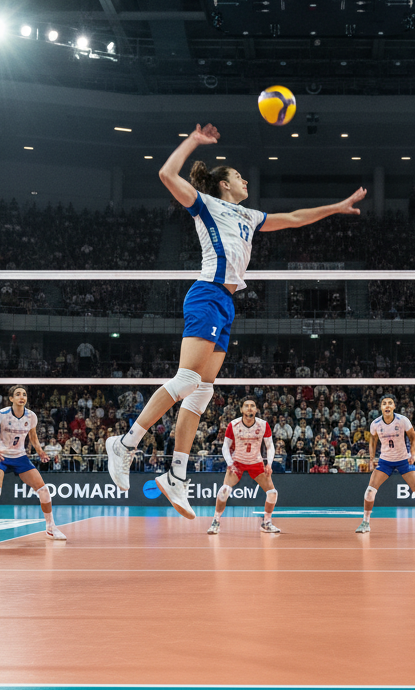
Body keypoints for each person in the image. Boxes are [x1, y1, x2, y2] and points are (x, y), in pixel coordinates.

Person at [106, 123, 365, 515]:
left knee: (202, 391)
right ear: (224, 184)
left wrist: (335, 207)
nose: (246, 180)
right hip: (207, 293)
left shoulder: (249, 215)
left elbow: (295, 217)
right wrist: (193, 141)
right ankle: (125, 444)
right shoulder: (206, 204)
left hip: (226, 302)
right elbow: (166, 174)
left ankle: (176, 476)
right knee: (186, 379)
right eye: (239, 176)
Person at [0, 384, 66, 544]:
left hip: (20, 456)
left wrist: (40, 452)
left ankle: (51, 527)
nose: (22, 397)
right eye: (18, 394)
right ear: (11, 398)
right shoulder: (1, 415)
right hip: (0, 455)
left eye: (24, 394)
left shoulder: (31, 416)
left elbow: (33, 437)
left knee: (44, 490)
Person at [356, 394, 415, 534]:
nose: (387, 405)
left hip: (403, 460)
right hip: (385, 461)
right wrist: (371, 459)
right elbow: (373, 441)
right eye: (384, 403)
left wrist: (413, 454)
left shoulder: (402, 420)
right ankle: (365, 523)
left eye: (390, 403)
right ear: (381, 407)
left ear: (394, 406)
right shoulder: (375, 424)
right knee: (370, 491)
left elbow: (414, 438)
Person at [209, 397, 281, 535]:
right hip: (237, 461)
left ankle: (266, 523)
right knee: (224, 490)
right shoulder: (233, 425)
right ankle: (215, 521)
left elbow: (270, 446)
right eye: (246, 406)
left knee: (272, 493)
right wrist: (230, 463)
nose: (249, 408)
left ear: (256, 410)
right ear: (241, 409)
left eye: (252, 406)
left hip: (256, 462)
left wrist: (269, 464)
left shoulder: (263, 425)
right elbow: (225, 446)